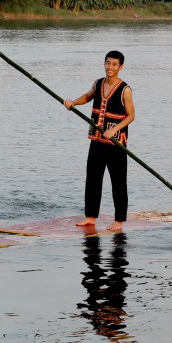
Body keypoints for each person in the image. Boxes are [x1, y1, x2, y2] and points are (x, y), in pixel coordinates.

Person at [64, 51, 135, 232]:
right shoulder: (98, 83)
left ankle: (119, 220)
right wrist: (73, 103)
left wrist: (114, 129)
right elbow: (88, 96)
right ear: (104, 63)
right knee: (93, 178)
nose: (110, 67)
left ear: (121, 67)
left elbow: (131, 116)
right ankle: (90, 217)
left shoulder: (125, 90)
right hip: (96, 140)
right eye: (108, 63)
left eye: (114, 64)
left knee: (118, 182)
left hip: (116, 144)